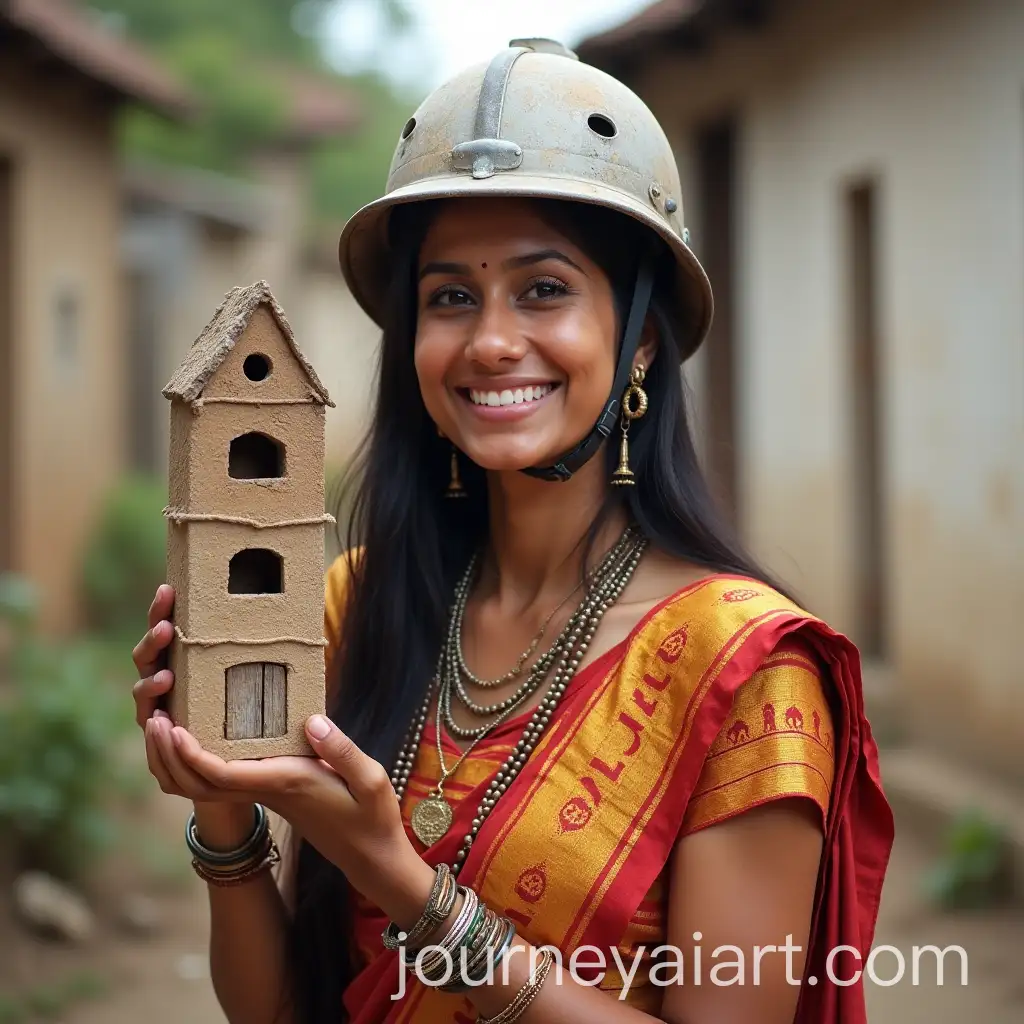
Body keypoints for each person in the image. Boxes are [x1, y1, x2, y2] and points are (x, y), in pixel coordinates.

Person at [132, 39, 893, 1024]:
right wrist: (224, 816)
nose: (490, 340)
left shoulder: (742, 673)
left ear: (642, 336)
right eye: (449, 296)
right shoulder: (355, 605)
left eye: (543, 289)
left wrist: (407, 883)